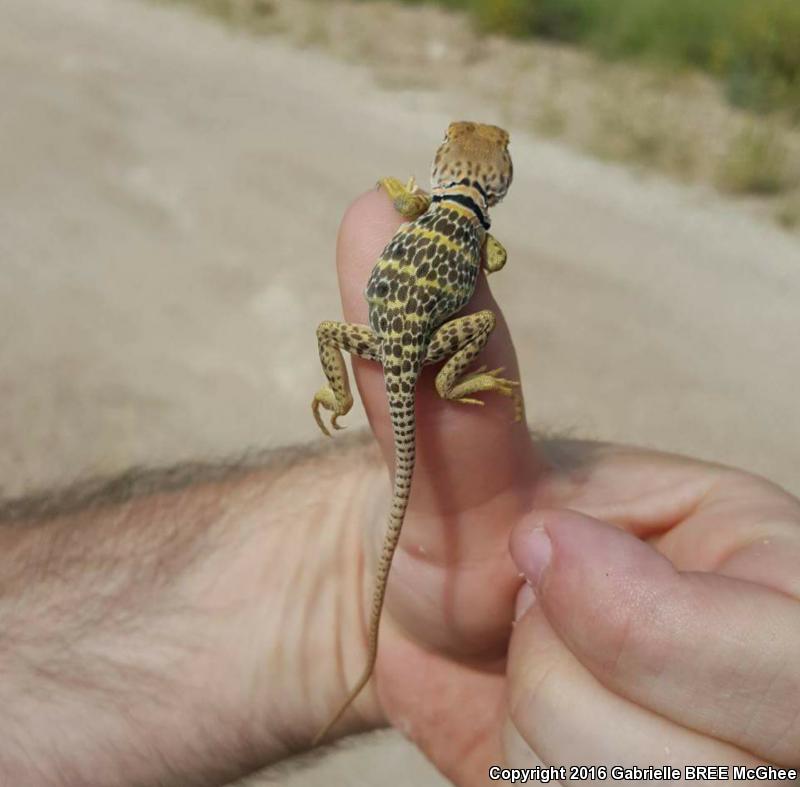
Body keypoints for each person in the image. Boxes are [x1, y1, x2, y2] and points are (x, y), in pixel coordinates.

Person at [1, 189, 797, 787]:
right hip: (427, 347)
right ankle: (453, 374)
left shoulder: (419, 207)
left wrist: (350, 390)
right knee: (466, 334)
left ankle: (352, 391)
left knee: (331, 335)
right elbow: (496, 264)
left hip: (382, 341)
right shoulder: (477, 235)